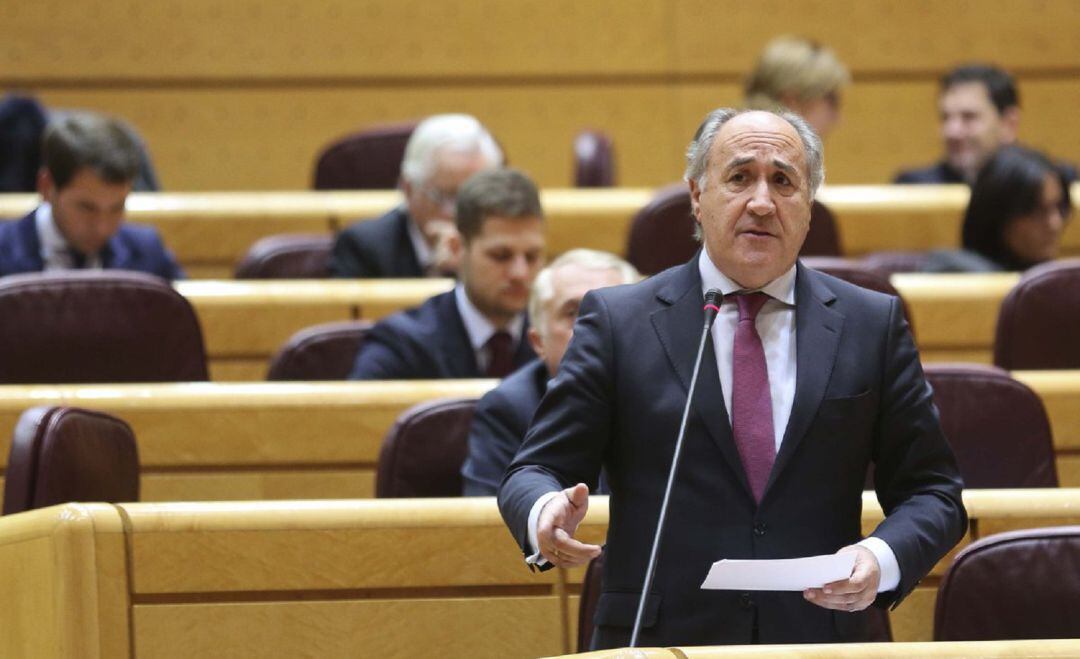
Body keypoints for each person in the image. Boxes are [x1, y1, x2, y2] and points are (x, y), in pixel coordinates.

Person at [498, 108, 967, 648]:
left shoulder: (871, 324)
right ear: (697, 195)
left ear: (809, 204)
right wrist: (543, 511)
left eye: (784, 181)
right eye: (740, 177)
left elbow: (934, 492)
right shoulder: (619, 321)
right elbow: (533, 468)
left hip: (819, 638)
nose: (763, 202)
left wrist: (880, 557)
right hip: (662, 641)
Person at [461, 249, 639, 496]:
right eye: (573, 314)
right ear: (538, 342)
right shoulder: (507, 409)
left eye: (612, 313)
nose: (594, 331)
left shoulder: (676, 394)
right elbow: (491, 527)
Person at [349, 168, 544, 380]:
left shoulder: (560, 339)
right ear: (457, 248)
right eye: (500, 256)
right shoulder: (403, 343)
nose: (520, 273)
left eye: (532, 257)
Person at [0, 112, 183, 279]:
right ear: (47, 187)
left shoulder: (147, 252)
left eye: (116, 208)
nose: (102, 228)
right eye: (86, 208)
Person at [329, 113, 503, 278]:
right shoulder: (364, 247)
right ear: (409, 189)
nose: (461, 212)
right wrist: (441, 273)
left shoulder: (507, 246)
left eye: (477, 198)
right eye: (447, 197)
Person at [923, 145, 1071, 273]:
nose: (1055, 224)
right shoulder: (954, 273)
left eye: (1059, 207)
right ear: (999, 215)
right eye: (1037, 211)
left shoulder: (1053, 281)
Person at [895, 64, 1037, 185]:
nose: (952, 131)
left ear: (1008, 124)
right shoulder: (915, 188)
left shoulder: (1041, 188)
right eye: (945, 118)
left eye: (969, 117)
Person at [744, 36, 850, 140]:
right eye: (832, 99)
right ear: (791, 100)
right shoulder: (772, 153)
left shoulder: (736, 142)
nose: (836, 118)